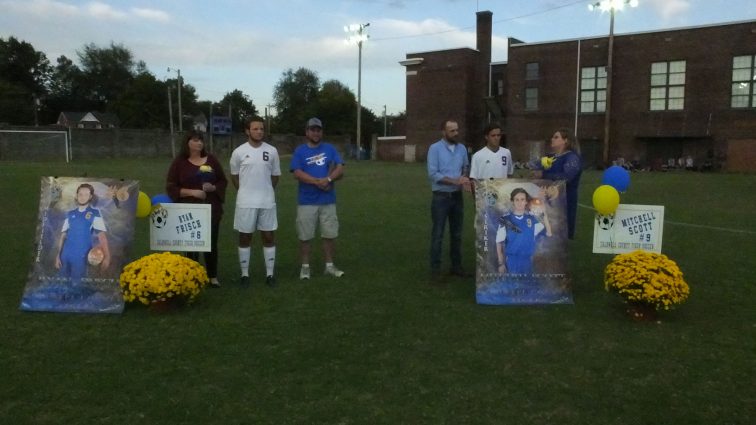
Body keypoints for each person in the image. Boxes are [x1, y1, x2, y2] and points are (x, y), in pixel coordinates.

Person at [166, 130, 228, 287]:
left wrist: (213, 188)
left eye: (201, 140)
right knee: (191, 244)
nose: (199, 143)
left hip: (211, 209)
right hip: (188, 210)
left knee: (210, 242)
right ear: (187, 143)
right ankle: (191, 276)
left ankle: (212, 276)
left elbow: (222, 180)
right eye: (195, 140)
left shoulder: (211, 161)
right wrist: (192, 192)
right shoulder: (179, 162)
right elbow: (171, 186)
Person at [290, 117, 345, 280]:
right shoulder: (300, 151)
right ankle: (305, 267)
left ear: (322, 132)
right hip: (307, 201)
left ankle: (329, 265)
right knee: (305, 235)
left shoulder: (330, 149)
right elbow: (297, 173)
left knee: (329, 234)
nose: (315, 133)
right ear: (307, 132)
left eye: (318, 130)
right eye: (312, 130)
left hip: (327, 200)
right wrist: (317, 182)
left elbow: (339, 168)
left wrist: (328, 180)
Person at [229, 116, 281, 288]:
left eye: (261, 129)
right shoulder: (238, 152)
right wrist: (245, 191)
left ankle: (270, 274)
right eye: (255, 129)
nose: (259, 132)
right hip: (245, 202)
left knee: (268, 236)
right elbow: (234, 176)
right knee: (245, 237)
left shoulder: (272, 151)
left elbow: (275, 176)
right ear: (247, 131)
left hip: (267, 200)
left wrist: (265, 190)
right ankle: (245, 274)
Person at [427, 119, 471, 281]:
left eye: (457, 130)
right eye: (452, 131)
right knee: (438, 233)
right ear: (443, 132)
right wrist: (454, 181)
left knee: (457, 233)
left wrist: (464, 177)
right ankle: (435, 270)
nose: (456, 133)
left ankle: (456, 266)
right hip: (441, 197)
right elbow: (433, 174)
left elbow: (466, 166)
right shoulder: (435, 149)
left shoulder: (461, 149)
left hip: (457, 198)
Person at [55, 183, 111, 288]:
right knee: (61, 284)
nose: (82, 197)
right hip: (65, 255)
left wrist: (107, 257)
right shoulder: (70, 214)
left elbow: (102, 236)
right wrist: (58, 255)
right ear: (76, 196)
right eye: (80, 194)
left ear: (90, 197)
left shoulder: (95, 213)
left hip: (81, 256)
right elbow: (63, 236)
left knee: (77, 287)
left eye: (86, 194)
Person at [532, 128, 582, 239]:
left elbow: (567, 177)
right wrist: (537, 169)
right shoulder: (551, 157)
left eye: (556, 137)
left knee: (561, 232)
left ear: (565, 141)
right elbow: (534, 164)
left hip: (565, 200)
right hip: (548, 199)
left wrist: (544, 175)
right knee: (547, 228)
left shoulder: (572, 157)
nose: (552, 139)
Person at [495, 188, 552, 275]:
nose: (519, 202)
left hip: (527, 262)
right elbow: (499, 242)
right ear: (512, 201)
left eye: (522, 199)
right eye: (516, 200)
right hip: (511, 262)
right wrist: (501, 264)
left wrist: (544, 214)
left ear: (526, 202)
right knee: (512, 287)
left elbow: (549, 233)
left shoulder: (532, 219)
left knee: (527, 286)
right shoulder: (506, 219)